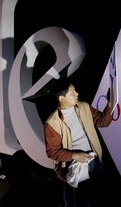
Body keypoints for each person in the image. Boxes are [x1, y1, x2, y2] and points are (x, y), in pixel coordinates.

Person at [44, 77, 113, 207]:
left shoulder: (84, 107)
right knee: (78, 201)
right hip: (74, 167)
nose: (77, 94)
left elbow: (102, 122)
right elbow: (52, 151)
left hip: (94, 160)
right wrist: (76, 155)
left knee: (98, 198)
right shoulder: (52, 123)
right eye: (72, 92)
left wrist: (110, 103)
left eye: (75, 90)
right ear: (61, 98)